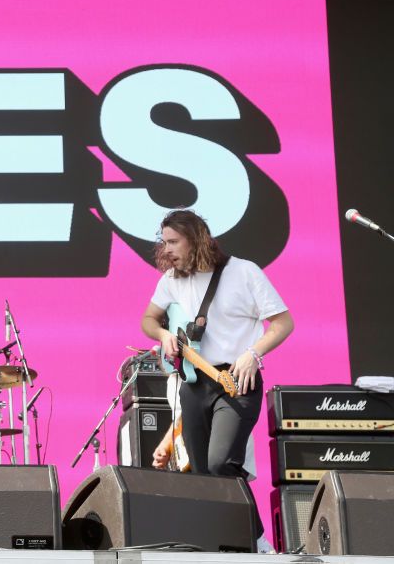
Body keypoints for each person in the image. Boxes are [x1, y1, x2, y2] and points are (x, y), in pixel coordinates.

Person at [141, 209, 293, 553]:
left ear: (196, 239)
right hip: (195, 383)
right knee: (202, 477)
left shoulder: (244, 272)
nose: (166, 249)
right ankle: (220, 546)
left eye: (173, 242)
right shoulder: (171, 280)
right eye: (164, 242)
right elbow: (148, 319)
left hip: (237, 380)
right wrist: (163, 334)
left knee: (221, 463)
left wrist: (253, 353)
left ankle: (258, 542)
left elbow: (284, 322)